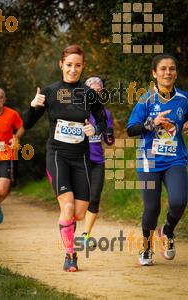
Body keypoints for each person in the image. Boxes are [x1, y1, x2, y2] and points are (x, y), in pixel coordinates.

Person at [22, 45, 107, 272]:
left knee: (79, 213)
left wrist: (95, 130)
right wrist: (32, 106)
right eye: (69, 65)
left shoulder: (88, 94)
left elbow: (102, 121)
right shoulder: (50, 92)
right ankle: (70, 254)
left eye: (78, 65)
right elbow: (27, 124)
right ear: (61, 65)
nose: (73, 69)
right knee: (67, 207)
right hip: (57, 155)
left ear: (83, 66)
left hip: (81, 158)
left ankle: (68, 235)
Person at [127, 54, 188, 266]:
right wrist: (151, 123)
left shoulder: (184, 98)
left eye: (171, 69)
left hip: (176, 160)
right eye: (162, 69)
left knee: (179, 202)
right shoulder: (146, 100)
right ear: (154, 73)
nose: (167, 73)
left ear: (176, 73)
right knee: (152, 208)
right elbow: (131, 129)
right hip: (149, 161)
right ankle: (146, 248)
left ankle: (167, 232)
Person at [80, 76, 115, 247]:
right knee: (78, 199)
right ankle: (68, 227)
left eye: (99, 91)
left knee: (94, 198)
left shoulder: (105, 113)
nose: (96, 94)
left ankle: (85, 235)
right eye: (93, 91)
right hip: (79, 160)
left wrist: (109, 135)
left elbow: (109, 142)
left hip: (97, 161)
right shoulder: (76, 111)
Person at [0, 87, 24, 230]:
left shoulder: (12, 114)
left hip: (4, 156)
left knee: (2, 190)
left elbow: (22, 126)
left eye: (0, 97)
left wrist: (15, 138)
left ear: (4, 100)